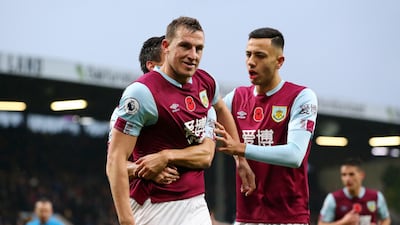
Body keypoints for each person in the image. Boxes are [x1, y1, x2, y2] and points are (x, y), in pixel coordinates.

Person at [106, 16, 252, 225]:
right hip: (154, 206)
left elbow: (220, 108)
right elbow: (115, 160)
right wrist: (127, 221)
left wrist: (241, 160)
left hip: (196, 201)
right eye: (185, 46)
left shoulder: (205, 82)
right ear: (166, 46)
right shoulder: (142, 93)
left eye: (198, 48)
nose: (193, 55)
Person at [214, 27, 318, 224]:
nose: (251, 62)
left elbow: (295, 155)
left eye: (260, 56)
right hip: (246, 217)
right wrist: (240, 160)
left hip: (288, 217)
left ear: (279, 61)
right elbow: (202, 125)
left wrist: (241, 149)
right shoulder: (236, 98)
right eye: (248, 54)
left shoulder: (301, 97)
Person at [318, 158, 391, 225]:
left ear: (362, 175)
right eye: (344, 175)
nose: (347, 179)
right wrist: (343, 222)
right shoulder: (333, 198)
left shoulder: (376, 196)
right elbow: (321, 224)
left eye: (351, 174)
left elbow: (386, 219)